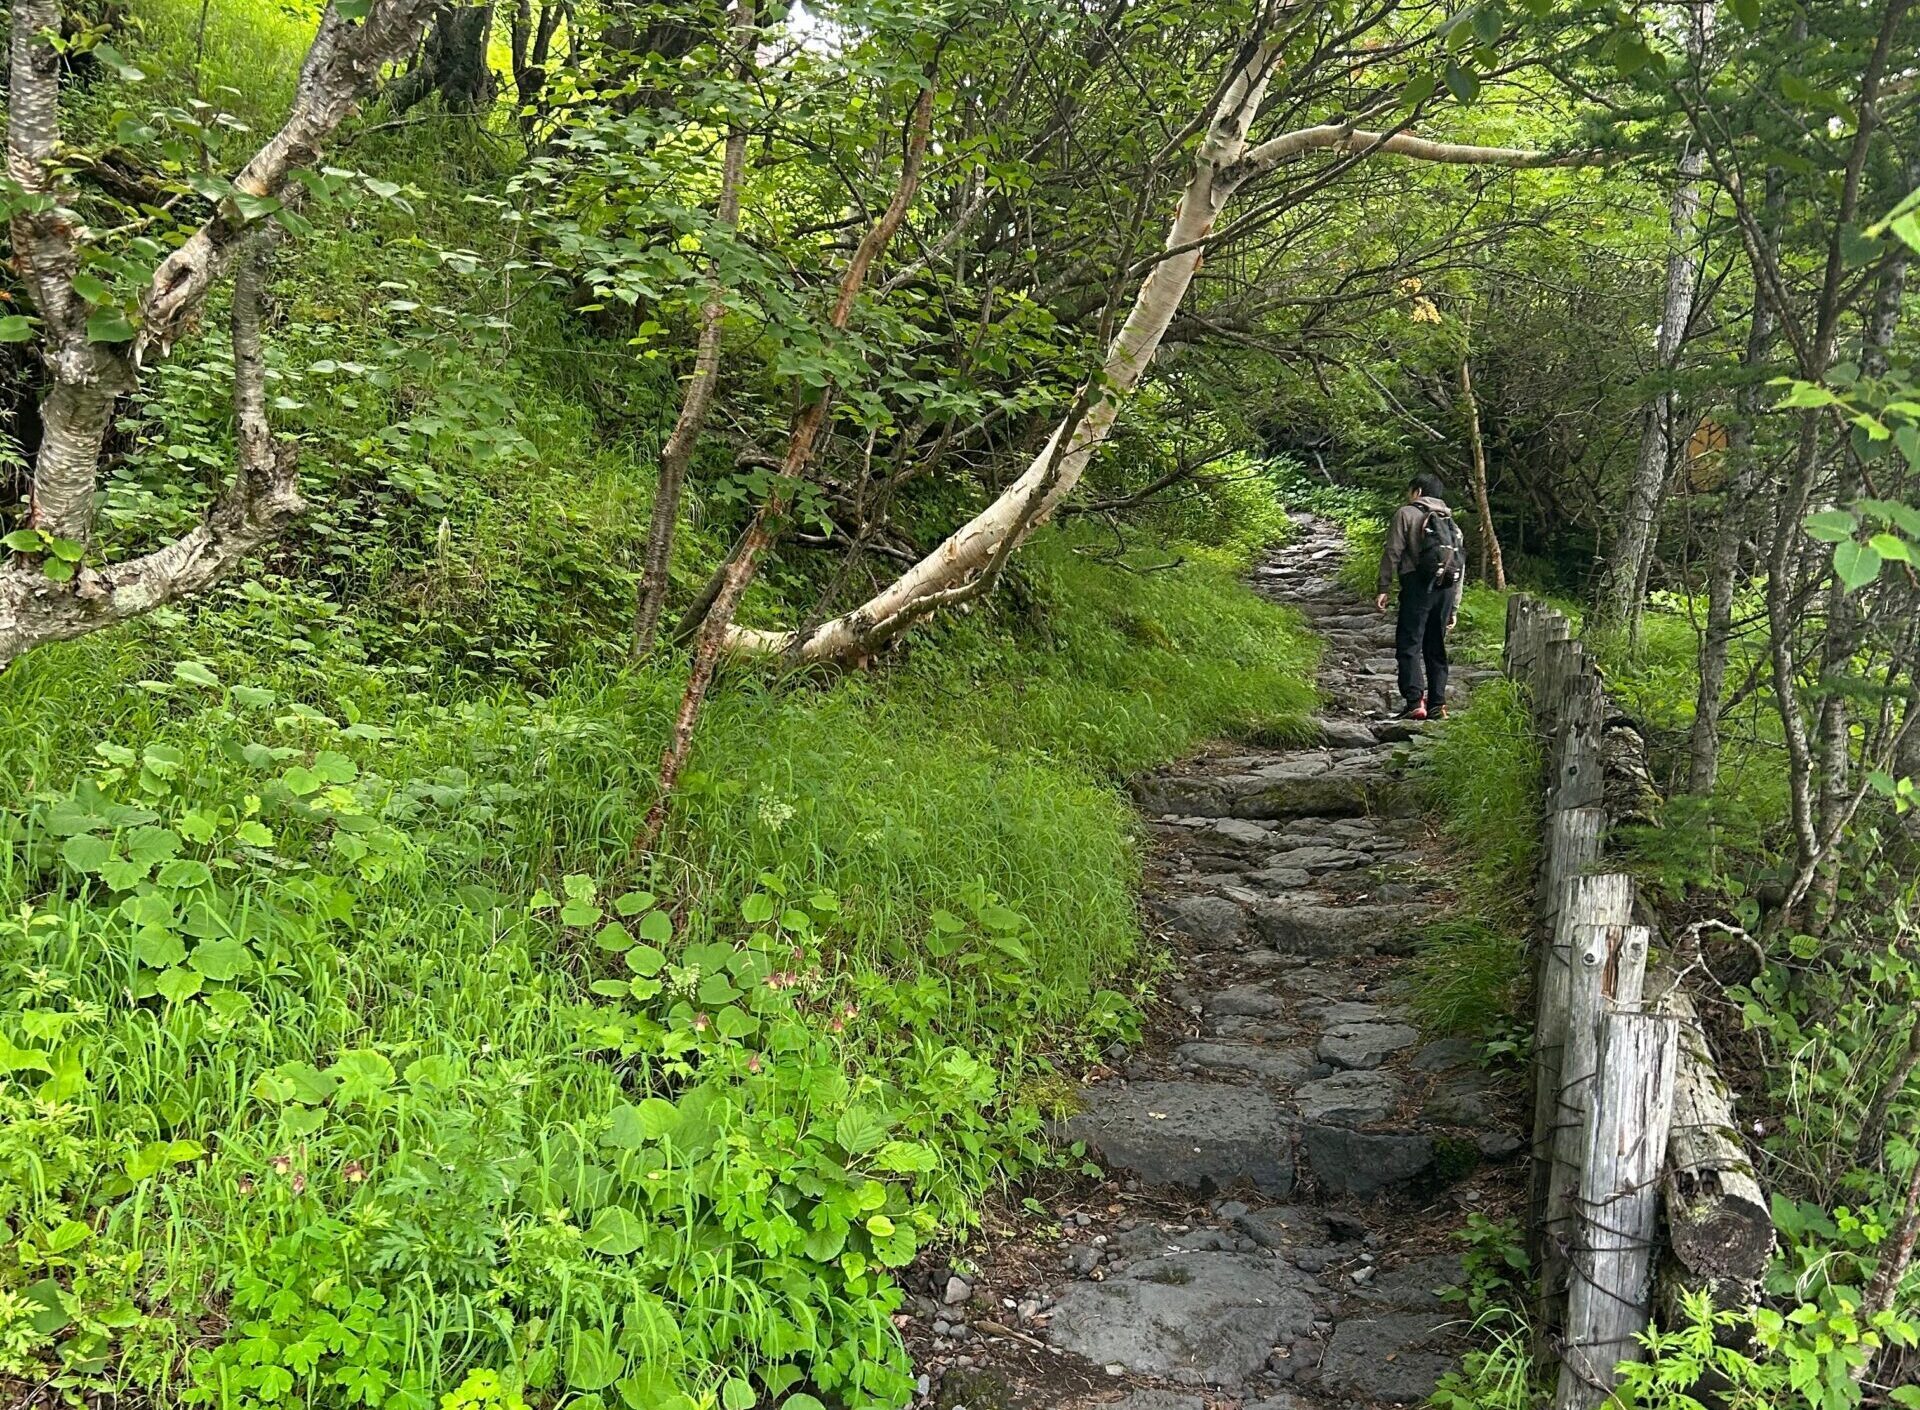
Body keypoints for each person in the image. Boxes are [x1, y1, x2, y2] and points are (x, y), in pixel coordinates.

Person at [1374, 473, 1461, 721]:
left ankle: (1414, 702)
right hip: (1445, 589)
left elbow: (1393, 550)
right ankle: (1437, 704)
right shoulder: (1452, 523)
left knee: (1409, 644)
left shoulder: (1407, 513)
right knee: (1436, 646)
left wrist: (1384, 587)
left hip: (1417, 585)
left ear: (1418, 492)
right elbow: (1461, 566)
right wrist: (1454, 607)